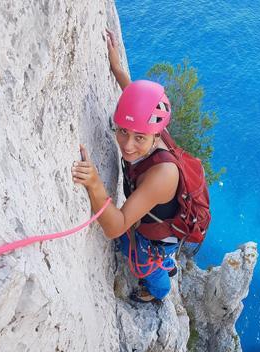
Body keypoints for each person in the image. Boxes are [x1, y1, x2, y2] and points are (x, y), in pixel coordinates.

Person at [71, 30, 180, 303]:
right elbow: (136, 104)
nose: (127, 145)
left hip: (157, 240)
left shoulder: (163, 175)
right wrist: (116, 67)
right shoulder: (152, 128)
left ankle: (159, 289)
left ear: (154, 135)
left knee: (138, 261)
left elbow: (115, 227)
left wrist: (95, 184)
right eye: (122, 131)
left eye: (138, 137)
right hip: (154, 219)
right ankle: (166, 262)